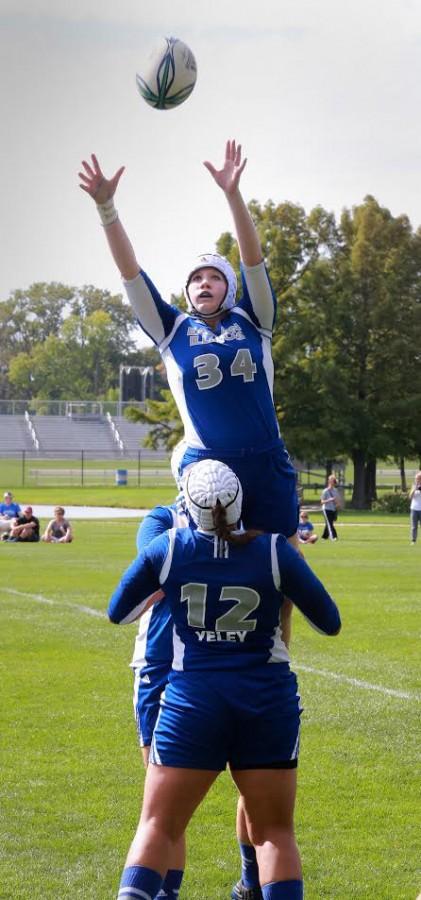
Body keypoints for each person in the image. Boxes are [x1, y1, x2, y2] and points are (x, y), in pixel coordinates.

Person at [108, 459, 341, 900]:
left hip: (192, 699)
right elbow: (329, 622)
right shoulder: (273, 549)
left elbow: (119, 610)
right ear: (241, 501)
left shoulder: (169, 547)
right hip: (265, 699)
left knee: (158, 825)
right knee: (274, 833)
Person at [78, 141, 299, 544]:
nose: (204, 283)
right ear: (187, 290)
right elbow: (131, 275)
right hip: (208, 464)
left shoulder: (255, 319)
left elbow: (253, 262)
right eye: (197, 278)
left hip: (266, 459)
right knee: (198, 559)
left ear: (229, 287)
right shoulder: (172, 329)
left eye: (214, 276)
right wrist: (106, 209)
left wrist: (233, 195)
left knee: (282, 563)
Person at [320, 475, 341, 541]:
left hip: (333, 509)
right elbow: (322, 502)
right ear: (329, 482)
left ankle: (324, 537)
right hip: (326, 509)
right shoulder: (325, 491)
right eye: (332, 481)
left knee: (329, 523)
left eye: (334, 481)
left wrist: (337, 504)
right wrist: (330, 500)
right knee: (329, 523)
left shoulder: (335, 491)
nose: (333, 482)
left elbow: (337, 499)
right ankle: (334, 537)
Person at [409, 470, 421, 544]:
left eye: (418, 478)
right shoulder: (414, 486)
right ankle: (413, 540)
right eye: (416, 478)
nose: (417, 480)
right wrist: (415, 488)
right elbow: (410, 497)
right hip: (414, 508)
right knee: (414, 526)